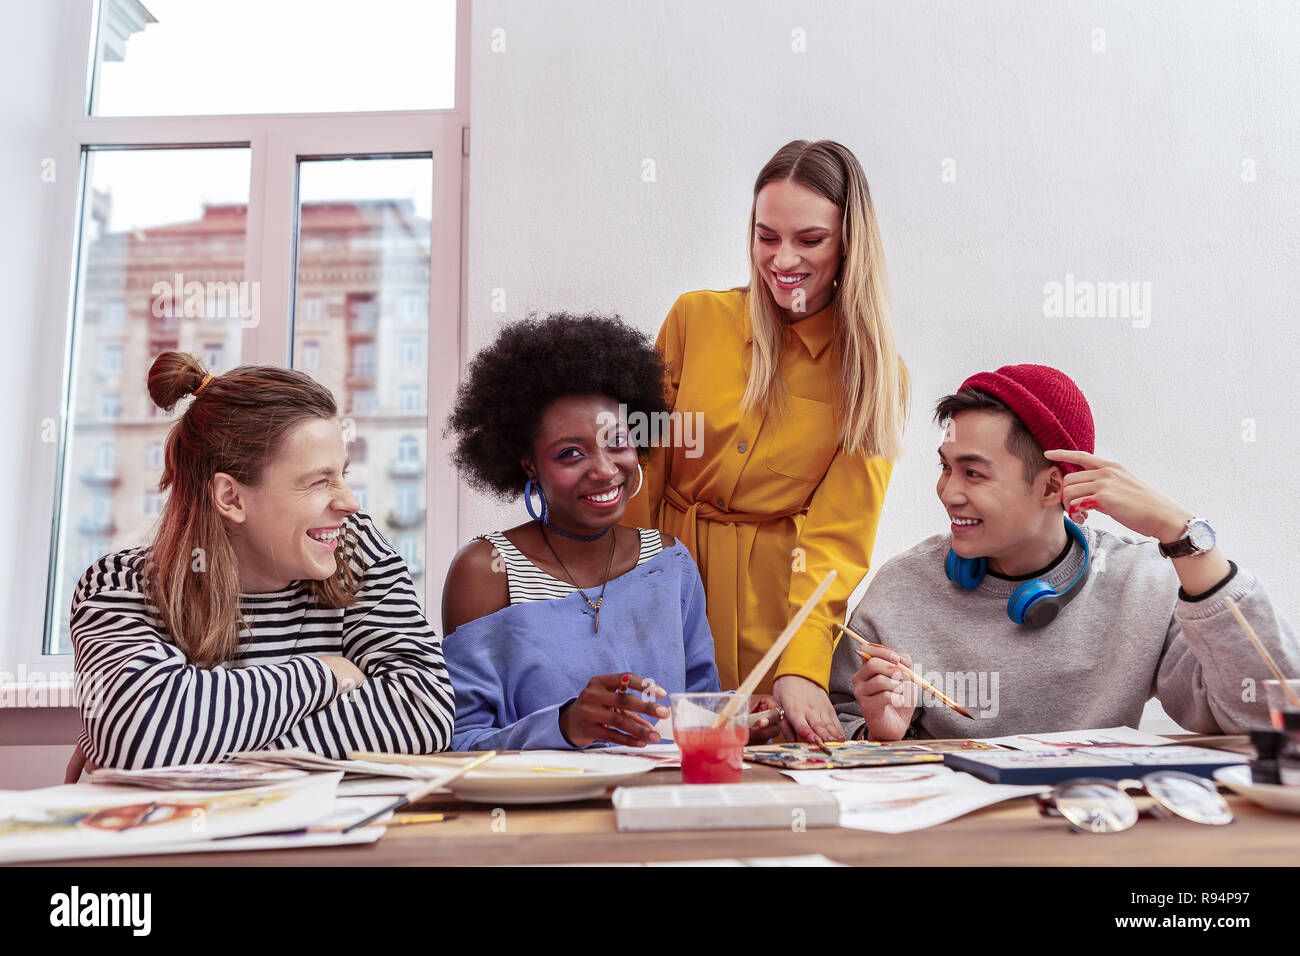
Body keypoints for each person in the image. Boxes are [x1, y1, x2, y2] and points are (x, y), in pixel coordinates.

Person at [829, 363, 1300, 741]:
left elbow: (1264, 713)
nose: (948, 492)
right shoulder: (902, 590)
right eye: (945, 468)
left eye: (973, 474)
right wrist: (878, 734)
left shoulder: (1141, 583)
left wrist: (1182, 534)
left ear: (1053, 486)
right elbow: (835, 726)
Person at [621, 139, 909, 746]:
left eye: (809, 239)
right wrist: (621, 606)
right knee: (645, 763)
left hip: (771, 621)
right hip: (664, 589)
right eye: (766, 235)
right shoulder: (692, 320)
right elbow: (637, 475)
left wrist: (799, 667)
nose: (783, 259)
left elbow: (837, 542)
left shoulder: (874, 375)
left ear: (849, 242)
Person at [66, 352, 455, 776]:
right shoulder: (119, 587)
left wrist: (200, 749)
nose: (349, 502)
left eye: (343, 474)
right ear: (231, 497)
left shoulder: (356, 553)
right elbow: (140, 734)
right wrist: (325, 674)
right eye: (320, 481)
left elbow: (423, 710)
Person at [441, 313, 781, 751]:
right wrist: (564, 726)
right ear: (529, 464)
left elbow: (696, 712)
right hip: (548, 815)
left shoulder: (671, 564)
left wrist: (737, 717)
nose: (604, 470)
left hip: (660, 807)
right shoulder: (486, 571)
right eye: (570, 453)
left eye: (617, 442)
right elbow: (457, 743)